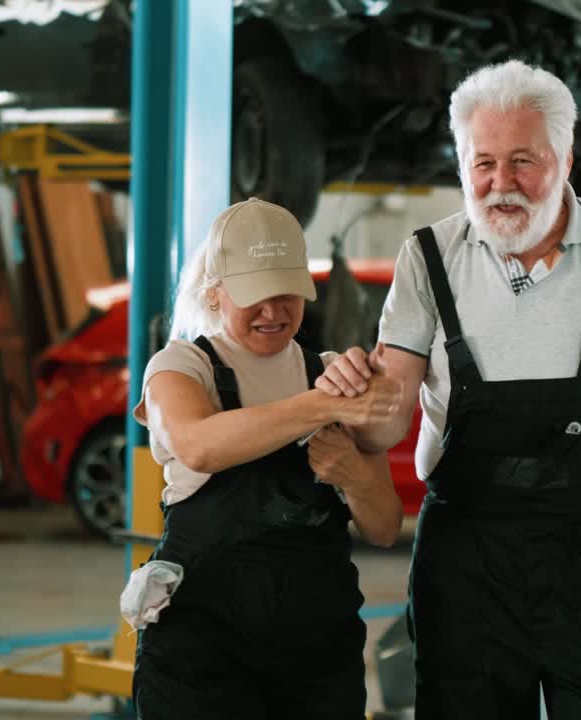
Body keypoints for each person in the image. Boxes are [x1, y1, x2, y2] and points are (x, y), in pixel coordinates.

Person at [317, 61, 581, 719]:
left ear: (565, 157)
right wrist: (350, 396)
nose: (499, 183)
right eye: (480, 162)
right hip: (466, 564)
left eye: (523, 161)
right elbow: (385, 426)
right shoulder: (427, 258)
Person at [129, 198, 404, 718]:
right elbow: (199, 444)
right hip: (204, 657)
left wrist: (353, 474)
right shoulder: (182, 366)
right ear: (215, 292)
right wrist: (322, 405)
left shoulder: (326, 371)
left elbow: (385, 527)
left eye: (287, 294)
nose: (274, 312)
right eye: (256, 296)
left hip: (316, 655)